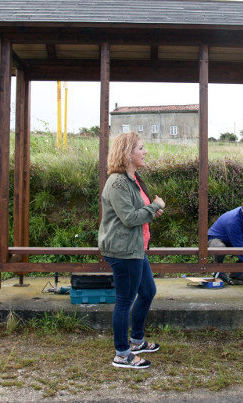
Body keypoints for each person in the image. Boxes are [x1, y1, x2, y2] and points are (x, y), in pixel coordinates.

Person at [98, 132, 166, 369]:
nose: (145, 151)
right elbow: (128, 218)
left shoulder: (132, 179)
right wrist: (155, 206)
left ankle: (136, 341)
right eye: (141, 147)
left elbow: (137, 211)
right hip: (122, 250)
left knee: (147, 292)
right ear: (128, 153)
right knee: (124, 300)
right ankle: (122, 353)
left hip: (136, 247)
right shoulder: (117, 182)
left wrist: (150, 210)